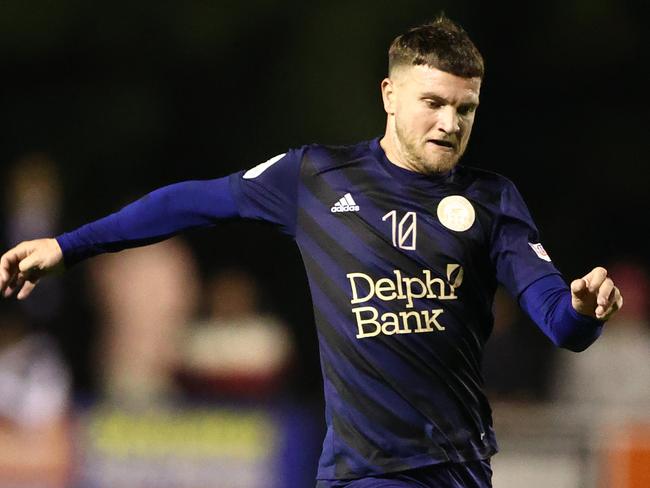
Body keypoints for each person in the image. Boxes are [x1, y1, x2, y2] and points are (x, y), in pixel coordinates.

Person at [0, 15, 622, 488]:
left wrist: (584, 311)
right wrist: (68, 246)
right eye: (433, 103)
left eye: (465, 109)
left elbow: (558, 318)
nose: (450, 123)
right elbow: (191, 202)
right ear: (389, 94)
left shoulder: (492, 199)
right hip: (364, 471)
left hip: (462, 470)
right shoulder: (318, 179)